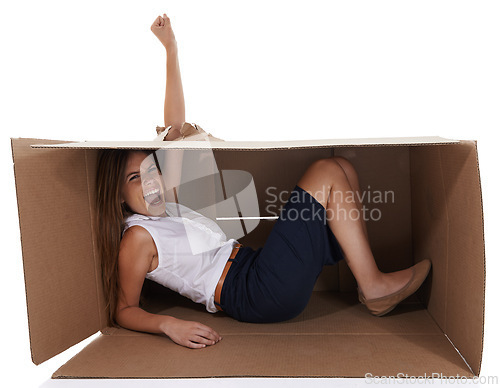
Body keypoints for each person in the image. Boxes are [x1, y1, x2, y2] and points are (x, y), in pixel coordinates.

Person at [95, 14, 431, 350]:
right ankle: (374, 288)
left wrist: (171, 49)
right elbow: (125, 309)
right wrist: (169, 324)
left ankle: (365, 280)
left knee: (343, 168)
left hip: (253, 266)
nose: (151, 181)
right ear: (119, 194)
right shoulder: (137, 238)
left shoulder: (169, 203)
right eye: (135, 178)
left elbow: (176, 130)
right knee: (326, 171)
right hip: (251, 292)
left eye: (152, 170)